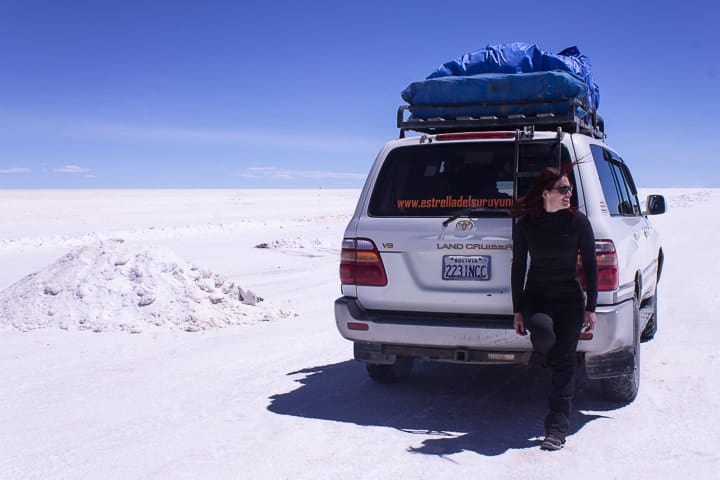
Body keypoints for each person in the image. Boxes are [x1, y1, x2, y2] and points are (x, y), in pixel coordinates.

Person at [510, 166, 598, 451]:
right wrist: (518, 309)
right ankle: (541, 354)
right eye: (563, 190)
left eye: (570, 189)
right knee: (544, 336)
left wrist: (592, 307)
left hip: (570, 299)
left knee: (565, 361)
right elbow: (519, 266)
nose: (569, 194)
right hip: (537, 295)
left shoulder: (578, 223)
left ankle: (556, 429)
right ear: (546, 193)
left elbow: (592, 265)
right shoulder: (526, 225)